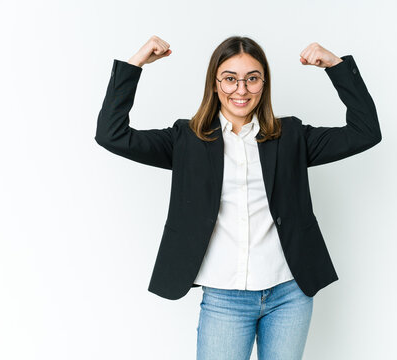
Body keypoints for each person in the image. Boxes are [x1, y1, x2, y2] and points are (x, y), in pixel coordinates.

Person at [95, 34, 382, 360]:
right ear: (215, 84)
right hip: (224, 299)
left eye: (252, 79)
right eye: (230, 79)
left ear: (264, 83)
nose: (241, 90)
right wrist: (137, 63)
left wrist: (335, 66)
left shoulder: (290, 137)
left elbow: (366, 132)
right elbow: (111, 134)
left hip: (290, 293)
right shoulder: (186, 141)